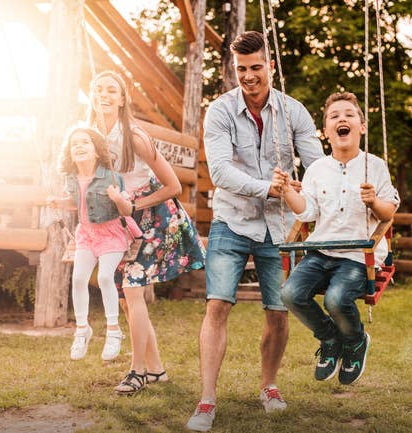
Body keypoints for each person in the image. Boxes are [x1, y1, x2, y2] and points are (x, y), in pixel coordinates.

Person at [186, 31, 325, 431]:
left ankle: (269, 386)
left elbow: (316, 167)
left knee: (278, 310)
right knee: (217, 304)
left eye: (256, 67)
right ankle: (208, 399)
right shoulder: (220, 110)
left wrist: (304, 185)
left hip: (279, 225)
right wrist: (268, 187)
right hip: (231, 219)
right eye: (242, 69)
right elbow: (220, 171)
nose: (248, 76)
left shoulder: (294, 111)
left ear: (271, 66)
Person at [87, 70, 206, 395]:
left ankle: (136, 371)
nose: (105, 94)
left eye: (112, 90)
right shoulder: (91, 137)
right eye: (99, 89)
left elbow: (172, 186)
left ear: (122, 99)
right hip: (121, 223)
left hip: (153, 218)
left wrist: (136, 203)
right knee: (126, 299)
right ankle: (156, 370)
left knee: (133, 291)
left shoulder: (135, 137)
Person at [278, 91, 399, 386]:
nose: (341, 119)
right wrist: (287, 192)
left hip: (358, 256)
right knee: (290, 294)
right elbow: (307, 211)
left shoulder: (375, 165)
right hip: (322, 251)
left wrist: (373, 202)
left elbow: (389, 211)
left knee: (336, 299)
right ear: (326, 131)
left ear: (361, 126)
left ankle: (356, 342)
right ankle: (330, 338)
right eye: (334, 116)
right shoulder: (317, 169)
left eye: (348, 115)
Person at [49, 126, 141, 362]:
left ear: (97, 151)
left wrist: (117, 197)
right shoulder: (71, 178)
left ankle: (113, 330)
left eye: (85, 142)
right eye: (74, 143)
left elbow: (125, 209)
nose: (79, 146)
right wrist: (59, 203)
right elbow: (77, 201)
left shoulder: (111, 176)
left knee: (104, 277)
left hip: (111, 233)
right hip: (87, 235)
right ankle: (82, 329)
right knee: (78, 278)